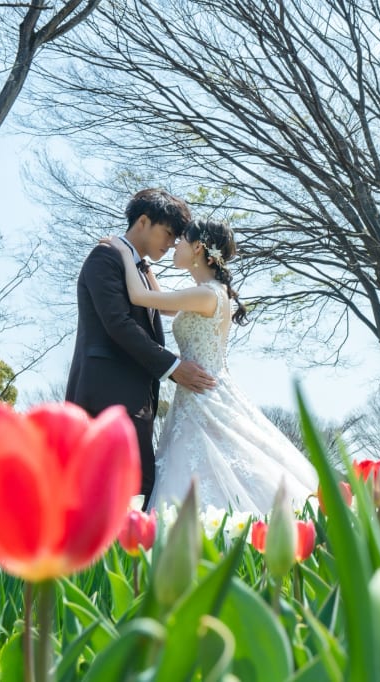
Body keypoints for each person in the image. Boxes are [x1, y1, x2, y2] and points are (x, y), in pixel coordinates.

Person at [105, 218, 318, 515]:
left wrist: (126, 253)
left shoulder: (207, 294)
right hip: (198, 391)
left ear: (197, 248)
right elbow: (164, 306)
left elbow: (140, 298)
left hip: (202, 393)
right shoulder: (209, 291)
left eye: (181, 241)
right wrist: (145, 267)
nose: (174, 245)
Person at [66, 189, 216, 509]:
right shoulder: (104, 257)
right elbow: (118, 323)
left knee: (138, 488)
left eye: (178, 237)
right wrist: (173, 368)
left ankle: (127, 558)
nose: (172, 242)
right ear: (144, 222)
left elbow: (165, 308)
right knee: (112, 493)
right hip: (105, 397)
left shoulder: (139, 268)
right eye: (168, 233)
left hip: (136, 399)